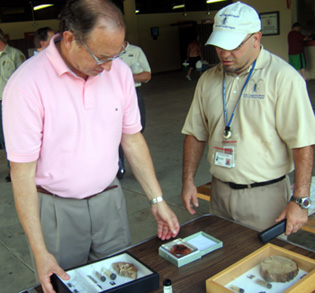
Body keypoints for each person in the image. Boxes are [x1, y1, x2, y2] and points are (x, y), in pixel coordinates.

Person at [2, 1, 180, 292]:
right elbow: (22, 173)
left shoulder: (118, 72)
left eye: (116, 54)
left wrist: (157, 200)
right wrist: (39, 251)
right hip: (57, 211)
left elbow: (132, 138)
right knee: (66, 286)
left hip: (109, 201)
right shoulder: (27, 85)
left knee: (121, 281)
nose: (109, 66)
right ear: (71, 39)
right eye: (101, 56)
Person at [181, 2, 315, 236]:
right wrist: (188, 180)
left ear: (256, 38)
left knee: (262, 265)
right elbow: (195, 133)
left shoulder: (283, 79)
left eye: (233, 45)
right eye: (220, 45)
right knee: (221, 261)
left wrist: (300, 199)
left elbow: (302, 142)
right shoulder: (208, 79)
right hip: (219, 191)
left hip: (265, 197)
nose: (224, 53)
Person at [117, 41, 151, 178]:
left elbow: (146, 75)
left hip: (133, 94)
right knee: (115, 132)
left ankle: (139, 169)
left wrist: (124, 77)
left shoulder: (135, 51)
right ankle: (118, 167)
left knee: (137, 130)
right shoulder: (106, 51)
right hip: (112, 95)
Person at [0, 28, 25, 182]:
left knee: (9, 138)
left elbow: (23, 79)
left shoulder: (15, 54)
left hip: (8, 103)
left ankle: (13, 170)